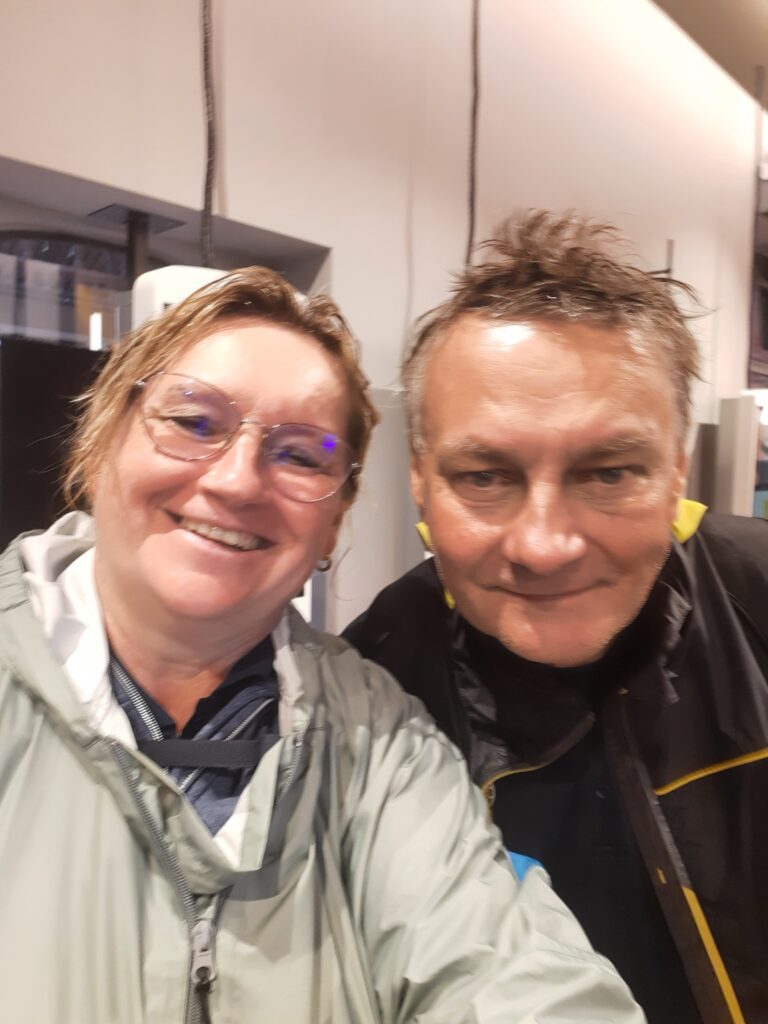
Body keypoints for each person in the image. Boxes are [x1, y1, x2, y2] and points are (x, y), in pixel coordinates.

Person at [0, 266, 644, 1023]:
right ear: (99, 443)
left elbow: (508, 973)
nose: (238, 481)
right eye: (194, 422)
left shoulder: (379, 741)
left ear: (333, 523)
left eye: (302, 455)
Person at [344, 212, 768, 1024]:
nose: (544, 547)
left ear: (677, 467)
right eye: (485, 476)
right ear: (420, 480)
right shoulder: (365, 699)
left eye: (608, 473)